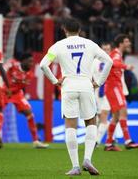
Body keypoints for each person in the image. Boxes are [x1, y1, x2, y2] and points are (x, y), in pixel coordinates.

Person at [40, 18, 113, 176]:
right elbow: (109, 61)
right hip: (86, 86)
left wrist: (55, 81)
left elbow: (43, 65)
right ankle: (87, 158)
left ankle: (75, 166)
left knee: (70, 125)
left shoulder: (58, 46)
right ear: (79, 30)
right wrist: (99, 82)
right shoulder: (90, 44)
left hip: (68, 86)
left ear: (64, 29)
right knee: (91, 122)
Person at [1, 53, 48, 148]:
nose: (31, 64)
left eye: (32, 62)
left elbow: (20, 86)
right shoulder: (12, 64)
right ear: (23, 61)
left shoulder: (30, 75)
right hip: (4, 92)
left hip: (17, 94)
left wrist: (13, 90)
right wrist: (7, 89)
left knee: (29, 113)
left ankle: (36, 141)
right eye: (30, 61)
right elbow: (2, 72)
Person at [104, 34, 138, 151]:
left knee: (116, 116)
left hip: (113, 87)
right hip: (113, 87)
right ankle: (128, 141)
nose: (129, 43)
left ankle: (108, 143)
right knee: (123, 112)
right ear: (121, 44)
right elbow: (114, 63)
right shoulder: (116, 53)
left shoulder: (117, 53)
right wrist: (127, 66)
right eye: (126, 41)